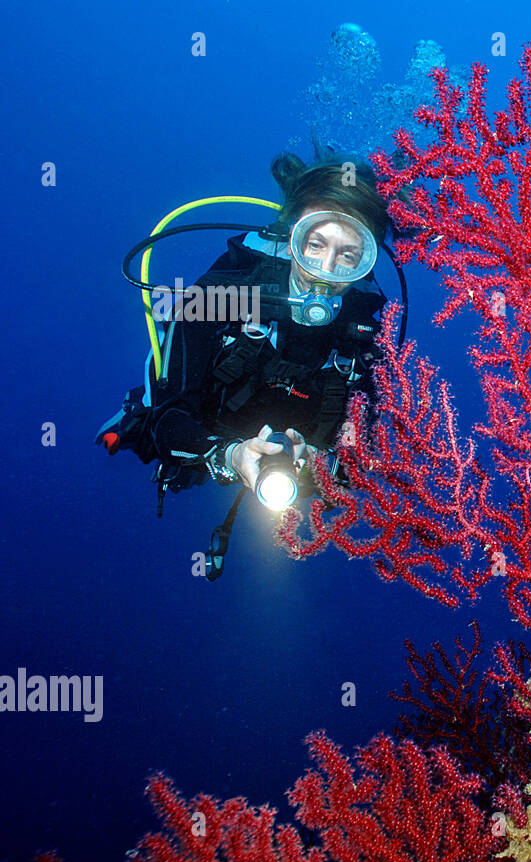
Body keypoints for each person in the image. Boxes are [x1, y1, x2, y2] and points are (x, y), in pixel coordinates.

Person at [96, 152, 394, 574]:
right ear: (291, 238)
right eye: (314, 245)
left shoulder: (367, 339)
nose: (324, 272)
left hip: (292, 457)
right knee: (150, 439)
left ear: (367, 263)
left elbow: (362, 455)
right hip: (205, 433)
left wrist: (323, 465)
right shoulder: (220, 297)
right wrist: (227, 457)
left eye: (349, 256)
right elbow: (170, 414)